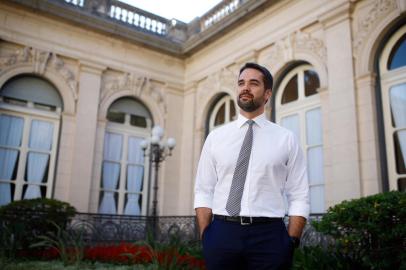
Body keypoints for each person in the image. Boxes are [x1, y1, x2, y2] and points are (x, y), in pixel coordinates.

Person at [194, 62, 309, 269]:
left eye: (253, 83)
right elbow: (204, 190)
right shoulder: (216, 138)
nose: (245, 87)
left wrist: (291, 240)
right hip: (222, 234)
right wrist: (206, 235)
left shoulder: (286, 139)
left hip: (269, 237)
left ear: (267, 94)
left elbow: (299, 194)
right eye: (241, 83)